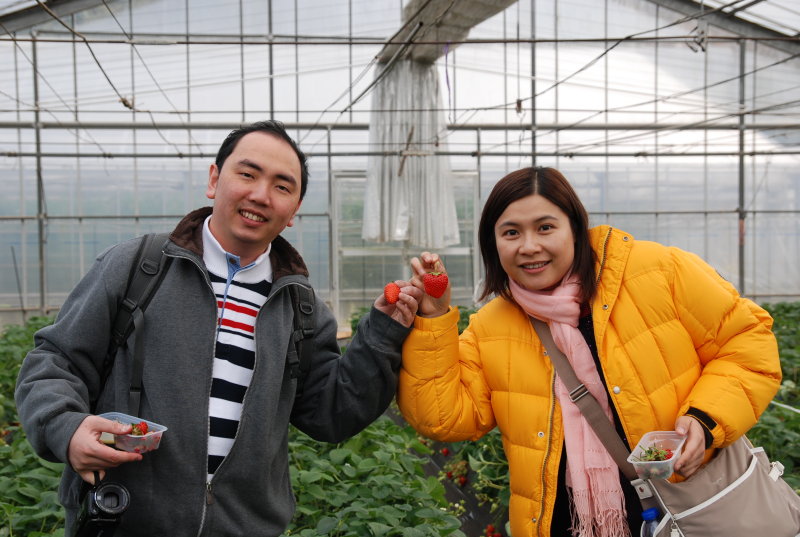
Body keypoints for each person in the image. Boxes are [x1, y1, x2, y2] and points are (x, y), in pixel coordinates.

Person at [15, 120, 423, 536]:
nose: (260, 195)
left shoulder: (300, 308)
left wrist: (382, 334)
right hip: (125, 522)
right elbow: (56, 360)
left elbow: (331, 414)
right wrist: (66, 429)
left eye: (283, 186)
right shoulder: (138, 268)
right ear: (214, 179)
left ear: (294, 210)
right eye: (247, 174)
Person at [397, 166, 781, 537]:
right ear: (493, 243)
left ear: (575, 229)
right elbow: (444, 418)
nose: (530, 246)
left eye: (545, 227)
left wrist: (705, 420)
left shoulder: (657, 272)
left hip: (686, 506)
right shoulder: (491, 326)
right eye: (511, 232)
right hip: (562, 522)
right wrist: (434, 320)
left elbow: (747, 341)